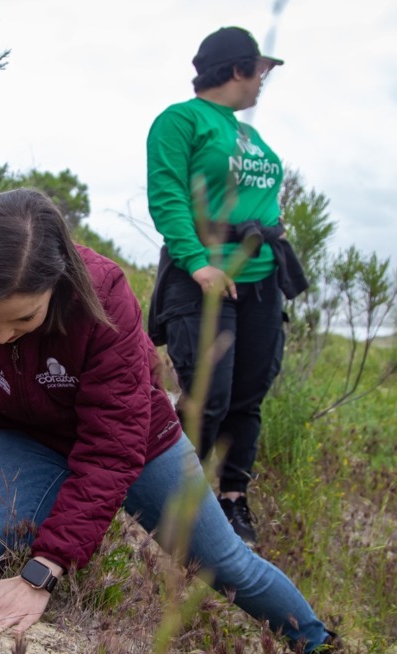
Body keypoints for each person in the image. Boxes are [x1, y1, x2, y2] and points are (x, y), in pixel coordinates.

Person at [0, 188, 337, 654]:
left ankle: (322, 647)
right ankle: (78, 522)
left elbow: (110, 448)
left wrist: (43, 571)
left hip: (139, 443)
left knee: (223, 564)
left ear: (58, 283)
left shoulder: (102, 297)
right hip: (27, 433)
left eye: (23, 319)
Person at [146, 26, 307, 546]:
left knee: (247, 397)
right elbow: (169, 195)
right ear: (237, 69)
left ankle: (232, 500)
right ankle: (173, 503)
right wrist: (197, 263)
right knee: (207, 397)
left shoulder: (250, 136)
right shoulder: (181, 120)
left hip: (261, 283)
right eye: (260, 70)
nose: (263, 81)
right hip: (204, 279)